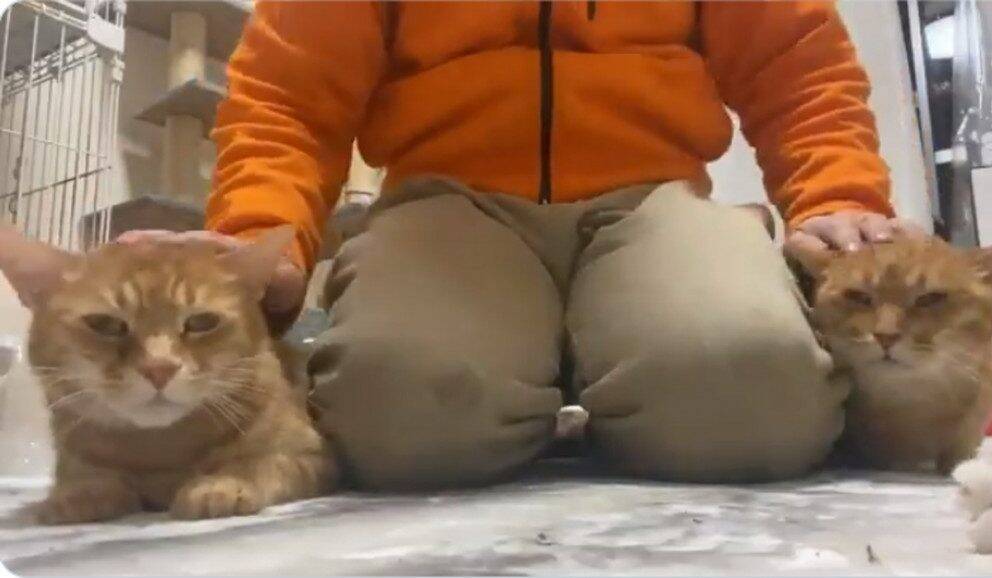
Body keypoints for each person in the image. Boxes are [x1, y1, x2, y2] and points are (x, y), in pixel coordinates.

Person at [127, 1, 912, 489]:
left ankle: (592, 375)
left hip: (653, 198)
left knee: (757, 404)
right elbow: (288, 98)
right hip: (447, 209)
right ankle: (566, 382)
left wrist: (837, 197)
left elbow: (799, 69)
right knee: (396, 422)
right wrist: (257, 237)